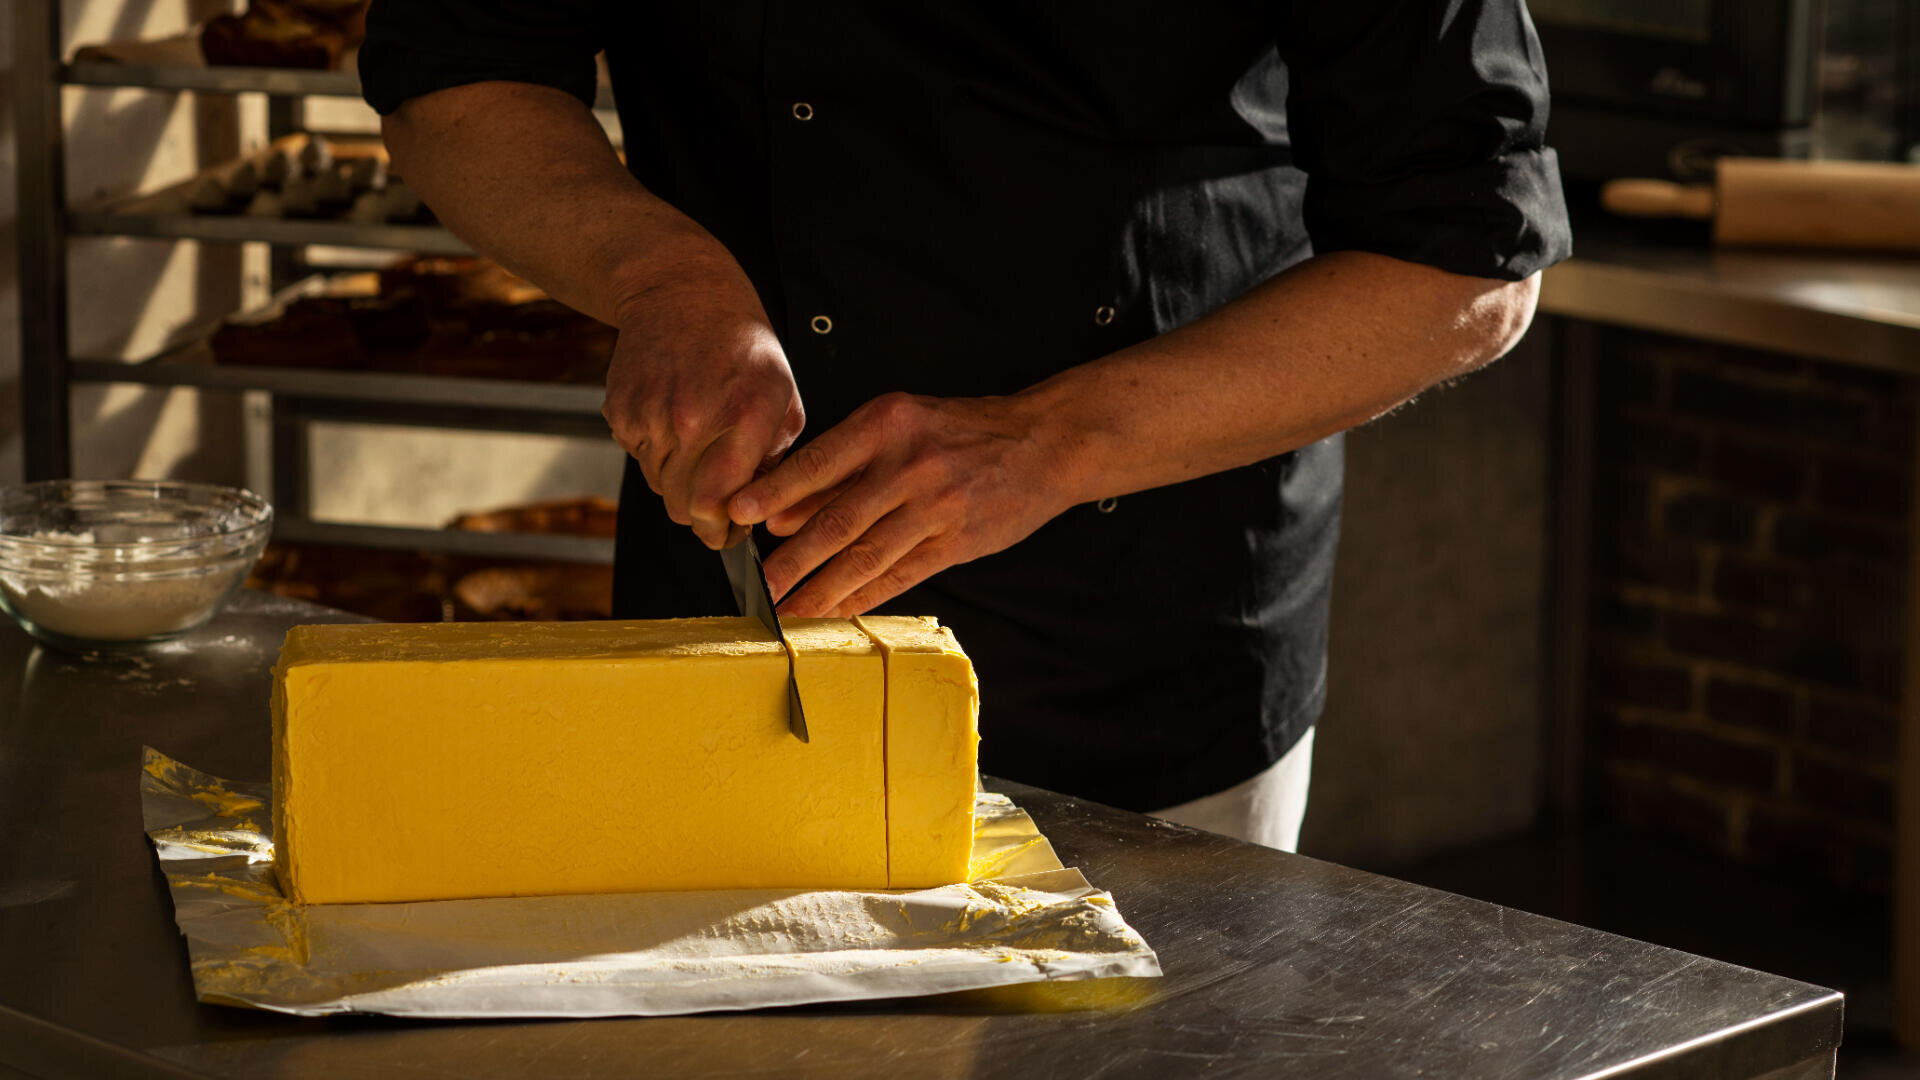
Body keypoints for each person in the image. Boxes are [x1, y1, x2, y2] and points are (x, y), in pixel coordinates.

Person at [359, 1, 1570, 852]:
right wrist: (658, 276)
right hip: (728, 614)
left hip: (1143, 649)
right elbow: (459, 68)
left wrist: (1048, 442)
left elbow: (1466, 256)